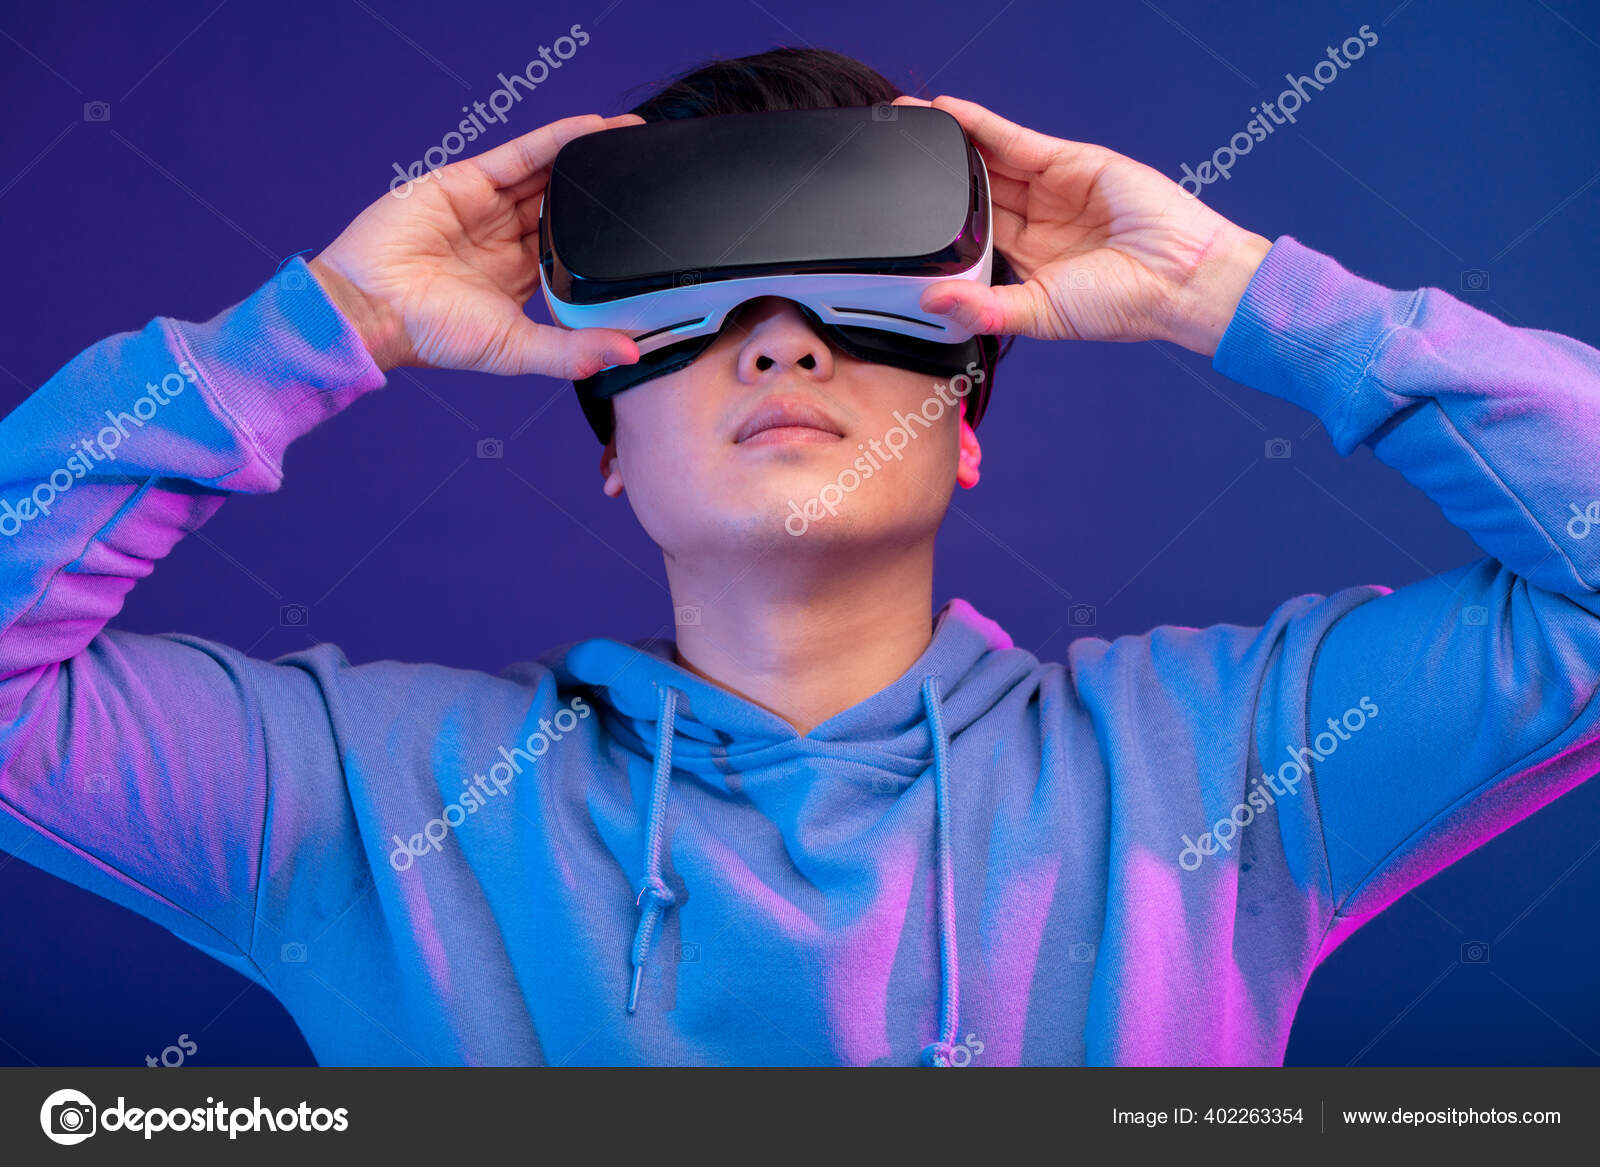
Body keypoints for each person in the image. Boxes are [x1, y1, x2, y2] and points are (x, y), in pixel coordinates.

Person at [1, 47, 1596, 1068]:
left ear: (966, 427)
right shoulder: (367, 801)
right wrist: (326, 324)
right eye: (702, 322)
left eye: (852, 309)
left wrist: (1230, 284)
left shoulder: (1228, 769)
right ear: (610, 446)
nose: (780, 350)